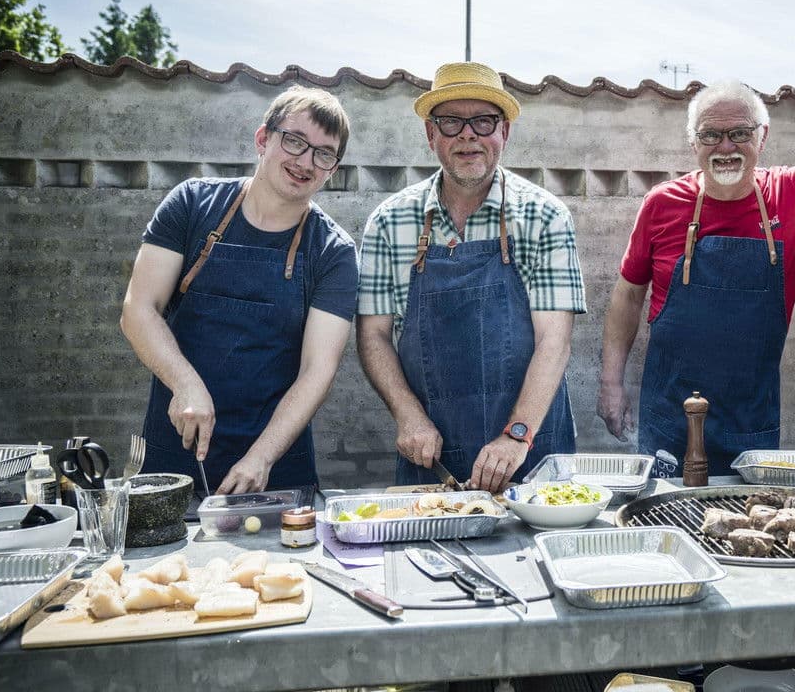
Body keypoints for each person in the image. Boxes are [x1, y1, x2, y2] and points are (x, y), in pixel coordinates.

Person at [597, 79, 795, 477]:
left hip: (750, 421)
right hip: (669, 416)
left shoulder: (790, 191)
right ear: (693, 141)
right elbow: (628, 295)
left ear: (763, 136)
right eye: (710, 135)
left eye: (740, 133)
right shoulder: (661, 203)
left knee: (746, 515)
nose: (725, 148)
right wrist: (611, 384)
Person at [357, 61, 585, 493]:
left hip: (531, 448)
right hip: (432, 455)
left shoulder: (545, 216)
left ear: (504, 132)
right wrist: (408, 415)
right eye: (451, 122)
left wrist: (517, 435)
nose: (468, 135)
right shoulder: (389, 221)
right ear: (431, 134)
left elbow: (554, 341)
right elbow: (373, 335)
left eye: (483, 121)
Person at [121, 85, 357, 494]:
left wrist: (262, 457)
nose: (305, 162)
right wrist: (185, 383)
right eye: (295, 141)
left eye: (323, 154)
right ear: (263, 139)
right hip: (176, 454)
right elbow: (138, 310)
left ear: (332, 169)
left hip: (275, 470)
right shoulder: (191, 205)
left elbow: (317, 369)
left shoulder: (334, 252)